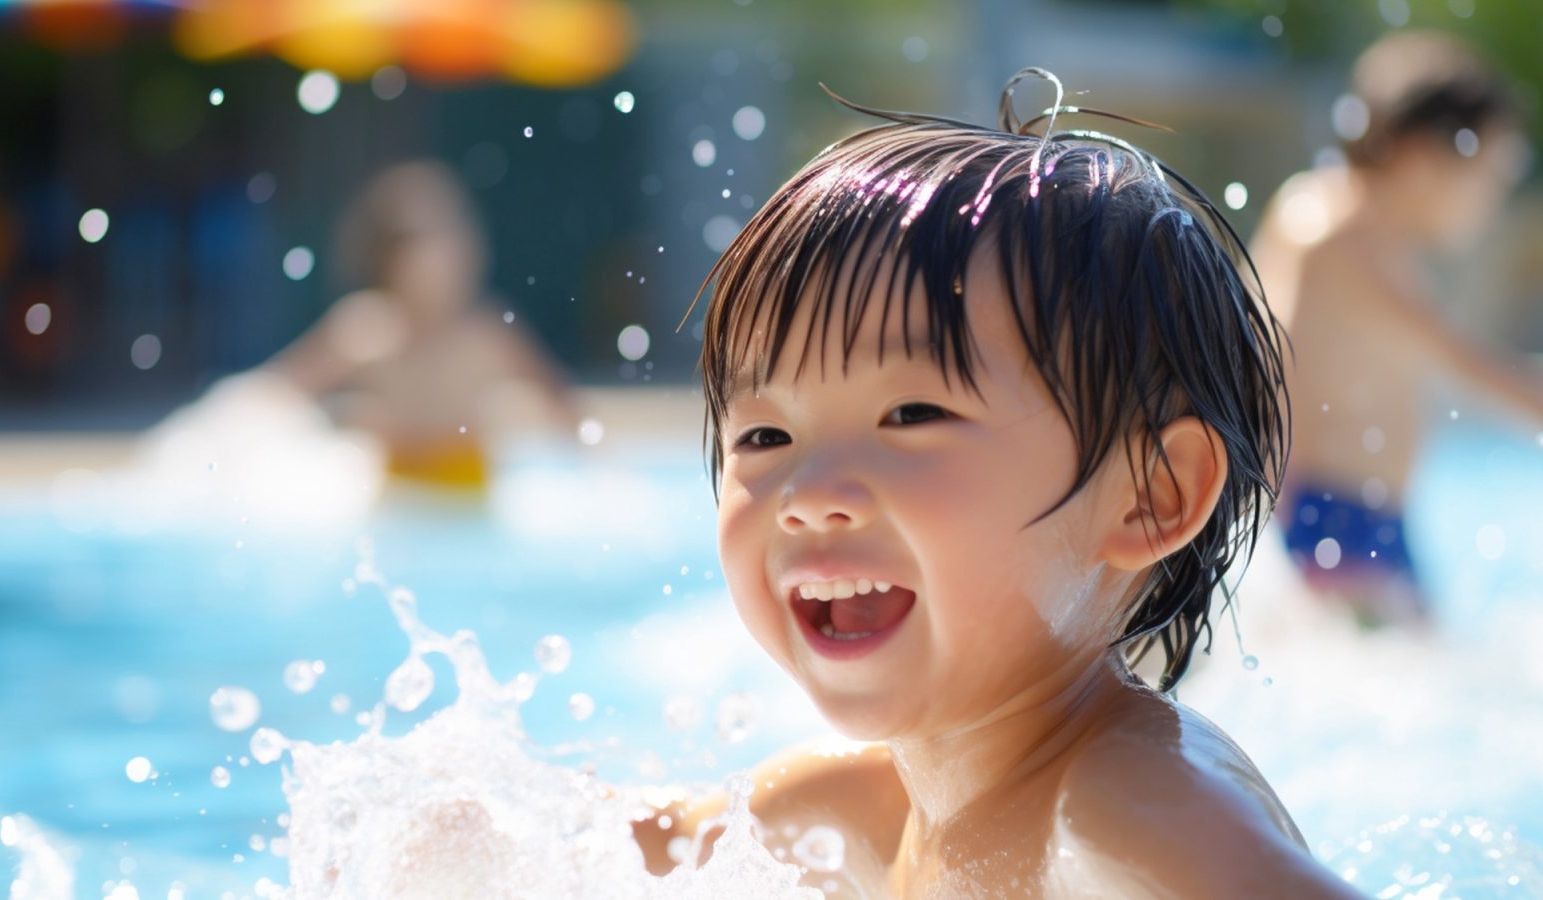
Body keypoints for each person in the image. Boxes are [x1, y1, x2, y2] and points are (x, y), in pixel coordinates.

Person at [632, 72, 1362, 897]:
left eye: (911, 414)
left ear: (1151, 494)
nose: (808, 493)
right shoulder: (859, 809)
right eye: (766, 436)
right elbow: (575, 844)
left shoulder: (1129, 810)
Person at [1251, 31, 1542, 625]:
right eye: (1495, 168)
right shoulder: (1335, 231)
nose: (1494, 196)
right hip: (1321, 522)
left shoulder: (1373, 245)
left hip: (1359, 522)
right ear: (1421, 156)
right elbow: (1469, 364)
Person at [264, 160, 578, 488]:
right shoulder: (369, 331)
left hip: (465, 494)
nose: (437, 261)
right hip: (401, 495)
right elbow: (279, 389)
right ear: (387, 260)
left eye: (447, 239)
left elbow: (562, 405)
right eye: (421, 246)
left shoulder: (485, 333)